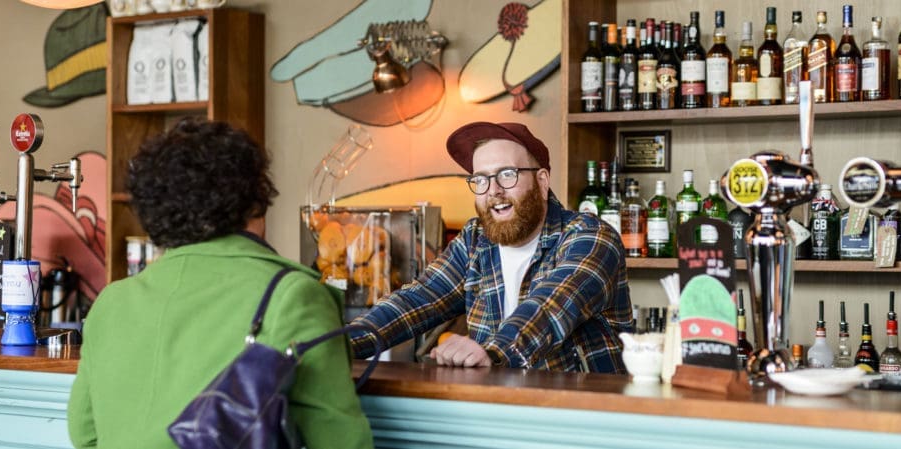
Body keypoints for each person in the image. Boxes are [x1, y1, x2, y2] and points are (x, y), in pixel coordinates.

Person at [67, 118, 372, 449]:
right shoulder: (293, 296)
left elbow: (85, 435)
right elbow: (341, 441)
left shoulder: (112, 302)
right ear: (256, 201)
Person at [350, 121, 633, 372]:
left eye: (507, 174)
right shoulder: (476, 240)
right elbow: (416, 300)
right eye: (481, 179)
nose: (493, 190)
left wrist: (492, 351)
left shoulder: (590, 236)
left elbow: (550, 306)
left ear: (542, 181)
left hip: (585, 418)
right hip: (499, 413)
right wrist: (340, 344)